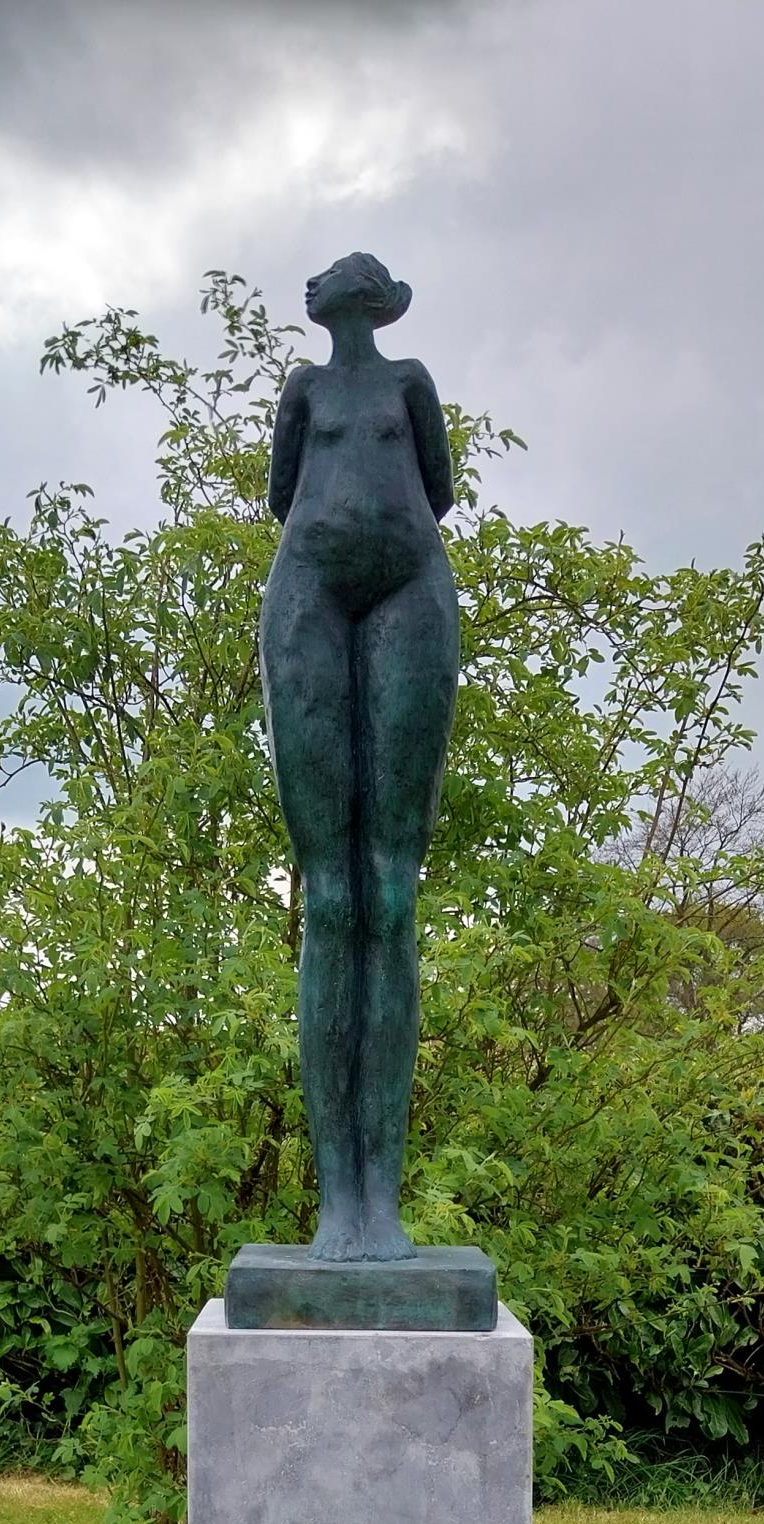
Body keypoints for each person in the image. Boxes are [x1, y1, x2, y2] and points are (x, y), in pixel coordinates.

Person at [261, 251, 458, 1262]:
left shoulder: (411, 382)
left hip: (409, 587)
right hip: (310, 592)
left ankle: (382, 1194)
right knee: (330, 892)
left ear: (381, 306)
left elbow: (441, 489)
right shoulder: (302, 391)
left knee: (391, 890)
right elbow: (281, 494)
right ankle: (340, 1198)